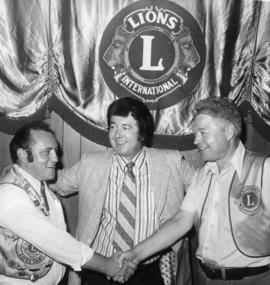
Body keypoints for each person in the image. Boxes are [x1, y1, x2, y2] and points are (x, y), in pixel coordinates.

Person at [119, 97, 270, 285]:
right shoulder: (203, 174)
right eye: (196, 133)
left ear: (229, 131)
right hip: (205, 278)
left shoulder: (265, 169)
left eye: (203, 133)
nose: (196, 140)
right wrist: (135, 254)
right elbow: (180, 221)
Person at [51, 97, 195, 285]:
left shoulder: (172, 162)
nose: (117, 135)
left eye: (126, 127)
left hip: (150, 271)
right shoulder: (91, 163)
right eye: (113, 126)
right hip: (98, 270)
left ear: (142, 133)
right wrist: (20, 173)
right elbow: (58, 183)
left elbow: (205, 187)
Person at [0, 121, 133, 285]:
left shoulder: (37, 182)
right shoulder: (11, 196)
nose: (55, 158)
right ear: (22, 155)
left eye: (55, 151)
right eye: (46, 152)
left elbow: (61, 241)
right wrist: (107, 265)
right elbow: (55, 241)